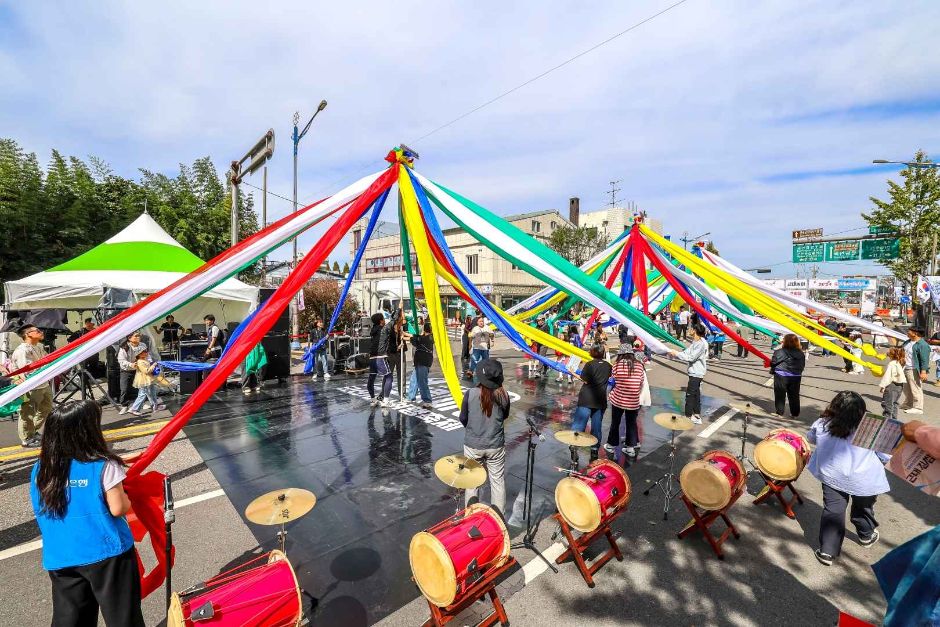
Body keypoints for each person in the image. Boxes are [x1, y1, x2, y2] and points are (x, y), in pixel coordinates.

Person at [29, 400, 145, 626]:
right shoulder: (104, 465)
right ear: (88, 432)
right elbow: (119, 508)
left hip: (62, 554)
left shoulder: (41, 467)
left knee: (71, 617)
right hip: (107, 553)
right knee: (123, 617)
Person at [806, 391, 889, 566]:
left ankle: (827, 551)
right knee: (863, 507)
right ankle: (866, 535)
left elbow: (811, 438)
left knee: (833, 510)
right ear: (861, 412)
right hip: (864, 479)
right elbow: (885, 456)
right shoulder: (871, 428)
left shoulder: (823, 423)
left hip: (832, 475)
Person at [459, 358, 509, 515]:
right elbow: (505, 416)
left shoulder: (470, 393)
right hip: (495, 445)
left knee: (472, 483)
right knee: (497, 482)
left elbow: (463, 418)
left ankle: (470, 516)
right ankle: (499, 520)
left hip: (473, 445)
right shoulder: (504, 395)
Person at [11, 325, 53, 447]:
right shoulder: (22, 350)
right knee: (28, 413)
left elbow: (48, 360)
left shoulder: (38, 347)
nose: (41, 332)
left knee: (46, 408)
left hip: (43, 384)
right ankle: (26, 438)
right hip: (31, 386)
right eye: (37, 331)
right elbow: (28, 371)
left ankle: (33, 431)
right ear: (28, 334)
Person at [572, 344, 612, 460]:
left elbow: (585, 380)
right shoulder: (608, 366)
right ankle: (594, 450)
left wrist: (572, 372)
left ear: (594, 352)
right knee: (596, 426)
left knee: (579, 425)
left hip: (586, 399)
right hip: (600, 401)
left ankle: (574, 447)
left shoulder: (589, 365)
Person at [606, 343, 646, 457]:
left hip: (618, 399)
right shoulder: (639, 365)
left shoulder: (617, 365)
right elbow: (641, 382)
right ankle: (630, 448)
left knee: (615, 422)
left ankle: (611, 445)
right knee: (631, 424)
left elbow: (613, 380)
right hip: (633, 400)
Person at [668, 323, 709, 424]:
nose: (689, 329)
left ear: (695, 331)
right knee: (696, 394)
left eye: (691, 328)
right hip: (695, 372)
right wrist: (675, 353)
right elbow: (687, 352)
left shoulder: (700, 344)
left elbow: (691, 357)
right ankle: (697, 415)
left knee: (690, 395)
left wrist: (676, 354)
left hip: (697, 373)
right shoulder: (696, 342)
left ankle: (688, 416)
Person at [770, 333, 805, 418]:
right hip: (796, 376)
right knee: (794, 395)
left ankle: (780, 413)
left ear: (784, 341)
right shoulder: (800, 353)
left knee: (780, 394)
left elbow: (774, 362)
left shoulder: (779, 351)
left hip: (781, 375)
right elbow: (802, 365)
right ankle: (795, 414)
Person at [900, 327, 930, 415]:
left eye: (909, 331)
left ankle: (918, 407)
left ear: (915, 333)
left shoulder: (922, 345)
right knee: (906, 388)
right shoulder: (908, 342)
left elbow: (924, 359)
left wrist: (923, 371)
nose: (907, 332)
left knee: (915, 388)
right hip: (905, 367)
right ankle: (908, 404)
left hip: (913, 369)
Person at [128, 348, 164, 416]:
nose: (146, 352)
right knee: (142, 394)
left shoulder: (145, 360)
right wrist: (153, 366)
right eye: (144, 352)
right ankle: (134, 409)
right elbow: (146, 371)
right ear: (139, 354)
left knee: (152, 393)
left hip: (149, 380)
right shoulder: (140, 362)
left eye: (146, 351)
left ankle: (155, 406)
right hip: (143, 381)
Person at [116, 332, 146, 415]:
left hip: (138, 369)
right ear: (129, 338)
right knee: (124, 389)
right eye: (136, 336)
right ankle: (124, 406)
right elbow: (121, 360)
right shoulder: (124, 347)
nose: (138, 337)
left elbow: (146, 356)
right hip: (126, 370)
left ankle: (141, 404)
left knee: (141, 387)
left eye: (139, 335)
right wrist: (131, 364)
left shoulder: (142, 345)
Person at [407, 322, 434, 408]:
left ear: (424, 329)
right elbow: (414, 337)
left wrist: (404, 335)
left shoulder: (428, 338)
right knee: (414, 379)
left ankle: (427, 400)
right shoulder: (424, 337)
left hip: (423, 362)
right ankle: (411, 397)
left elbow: (414, 338)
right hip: (419, 362)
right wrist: (404, 334)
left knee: (422, 381)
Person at [878, 347, 906, 420]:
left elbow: (888, 376)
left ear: (892, 355)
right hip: (900, 386)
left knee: (887, 404)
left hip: (891, 385)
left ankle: (886, 420)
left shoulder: (892, 364)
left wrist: (883, 386)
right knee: (895, 403)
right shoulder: (901, 362)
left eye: (889, 353)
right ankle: (894, 419)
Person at [367, 313, 386, 406]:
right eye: (383, 318)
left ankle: (373, 398)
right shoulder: (382, 330)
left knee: (371, 378)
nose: (384, 320)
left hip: (372, 357)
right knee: (388, 377)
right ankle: (384, 398)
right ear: (381, 321)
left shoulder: (373, 330)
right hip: (380, 357)